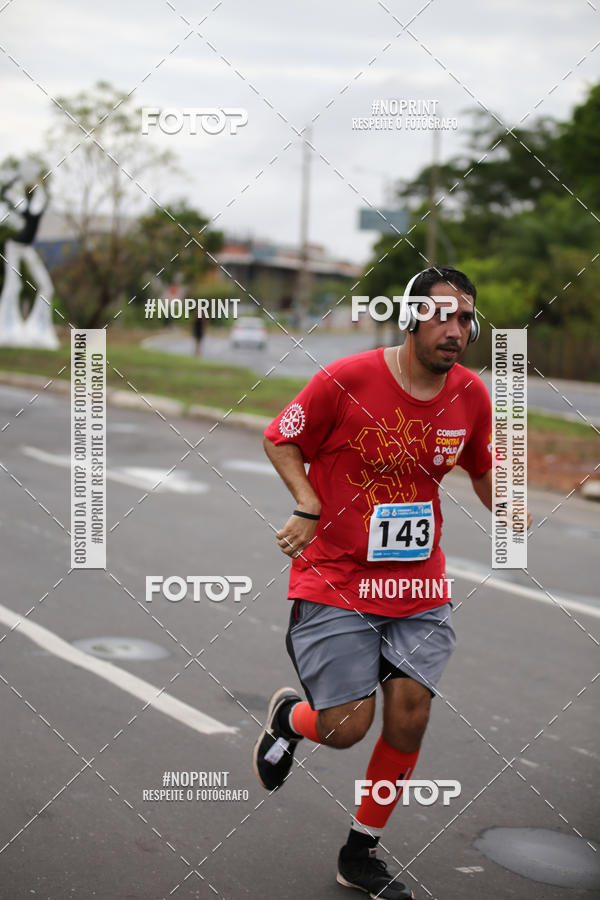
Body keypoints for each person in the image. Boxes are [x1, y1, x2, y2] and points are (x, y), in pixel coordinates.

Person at [253, 266, 500, 900]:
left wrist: (511, 503)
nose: (456, 329)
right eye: (443, 315)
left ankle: (361, 850)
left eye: (466, 318)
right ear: (411, 317)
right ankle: (292, 718)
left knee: (410, 717)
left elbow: (482, 469)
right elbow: (282, 437)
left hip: (418, 585)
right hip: (335, 576)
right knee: (347, 728)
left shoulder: (470, 393)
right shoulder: (346, 379)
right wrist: (307, 502)